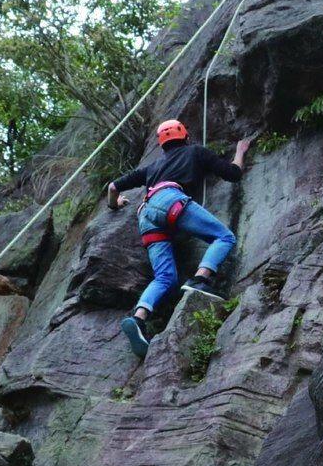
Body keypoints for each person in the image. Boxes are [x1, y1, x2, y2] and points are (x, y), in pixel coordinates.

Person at [107, 119, 250, 358]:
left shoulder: (152, 167)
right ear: (185, 136)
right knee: (224, 237)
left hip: (146, 213)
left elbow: (113, 187)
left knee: (165, 277)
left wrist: (115, 205)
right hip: (170, 200)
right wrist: (240, 151)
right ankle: (199, 280)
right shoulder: (195, 151)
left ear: (162, 144)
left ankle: (138, 318)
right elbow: (233, 174)